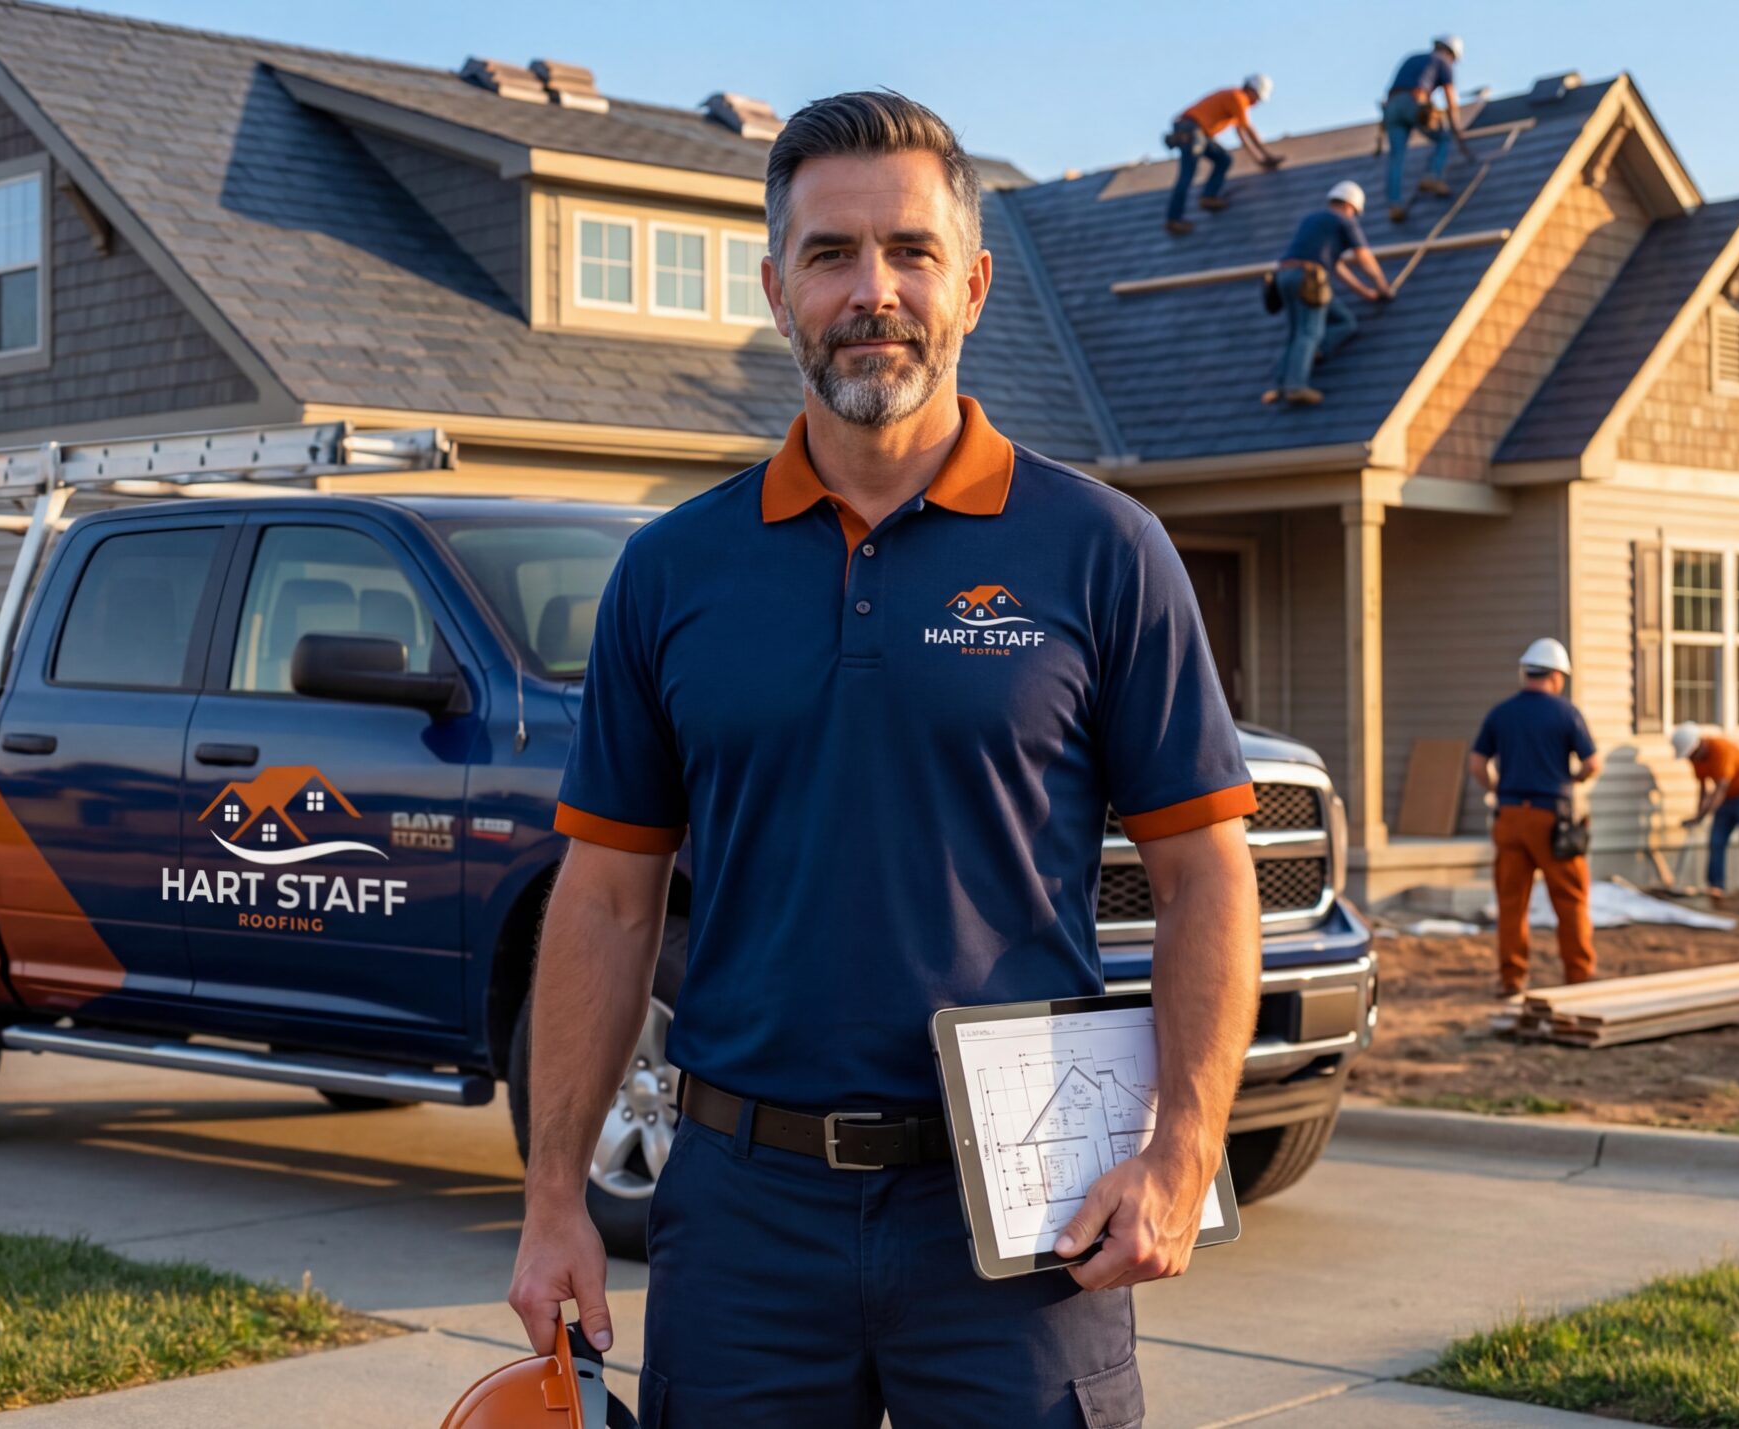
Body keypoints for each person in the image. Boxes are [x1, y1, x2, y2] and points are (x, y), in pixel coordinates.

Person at [510, 91, 1264, 1427]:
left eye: (911, 252)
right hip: (744, 1215)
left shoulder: (1101, 551)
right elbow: (608, 898)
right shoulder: (673, 572)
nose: (875, 291)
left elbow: (1205, 876)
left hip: (1022, 1215)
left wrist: (1184, 1146)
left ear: (972, 284)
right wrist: (555, 1196)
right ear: (775, 288)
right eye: (831, 255)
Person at [1469, 638, 1599, 996]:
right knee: (1570, 899)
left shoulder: (1501, 713)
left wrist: (1496, 788)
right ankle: (1579, 975)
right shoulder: (1566, 713)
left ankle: (1512, 979)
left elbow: (1477, 764)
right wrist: (1573, 780)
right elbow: (1591, 764)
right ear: (1557, 676)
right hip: (1551, 819)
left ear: (1525, 672)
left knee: (1511, 903)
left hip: (1509, 816)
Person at [1264, 181, 1391, 407]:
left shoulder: (1313, 219)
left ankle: (1286, 378)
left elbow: (1338, 268)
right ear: (1351, 206)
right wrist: (1382, 286)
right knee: (1309, 333)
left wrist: (1365, 293)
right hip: (1309, 279)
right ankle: (1295, 386)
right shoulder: (1344, 220)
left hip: (1284, 276)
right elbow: (1364, 258)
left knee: (1342, 322)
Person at [1164, 73, 1282, 235]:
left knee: (1223, 159)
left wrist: (1259, 159)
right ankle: (1174, 219)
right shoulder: (1237, 97)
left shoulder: (1236, 103)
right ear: (1252, 91)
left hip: (1199, 134)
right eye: (1258, 98)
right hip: (1191, 130)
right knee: (1187, 174)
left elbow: (1241, 133)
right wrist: (1267, 155)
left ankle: (1208, 196)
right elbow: (1248, 130)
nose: (1257, 103)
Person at [1672, 722, 1739, 903]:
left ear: (1698, 745)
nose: (1689, 758)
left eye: (1690, 754)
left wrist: (1702, 816)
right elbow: (1703, 790)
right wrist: (1697, 815)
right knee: (1716, 840)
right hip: (1727, 797)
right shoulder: (1696, 760)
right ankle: (1716, 887)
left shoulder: (1721, 750)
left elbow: (1720, 788)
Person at [1382, 35, 1463, 224]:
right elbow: (1451, 97)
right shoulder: (1444, 62)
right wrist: (1456, 128)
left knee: (1396, 156)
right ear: (1451, 54)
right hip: (1413, 101)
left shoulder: (1413, 57)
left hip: (1392, 107)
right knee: (1443, 138)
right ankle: (1433, 175)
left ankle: (1394, 204)